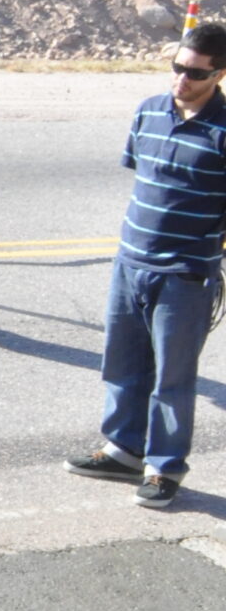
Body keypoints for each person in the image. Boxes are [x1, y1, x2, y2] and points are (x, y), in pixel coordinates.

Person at [64, 26, 226, 509]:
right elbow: (150, 178)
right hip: (130, 263)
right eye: (177, 67)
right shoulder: (149, 111)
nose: (182, 79)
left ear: (220, 74)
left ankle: (164, 468)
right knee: (122, 365)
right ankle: (123, 450)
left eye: (195, 73)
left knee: (172, 379)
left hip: (185, 275)